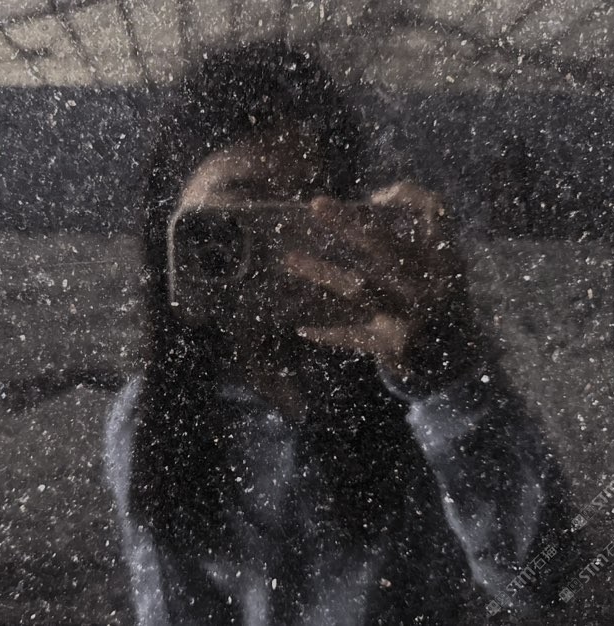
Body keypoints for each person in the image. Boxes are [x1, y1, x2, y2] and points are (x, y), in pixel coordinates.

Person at [103, 42, 573, 624]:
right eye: (238, 219)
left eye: (301, 216)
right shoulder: (151, 418)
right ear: (169, 225)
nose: (277, 250)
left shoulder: (408, 387)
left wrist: (440, 361)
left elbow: (540, 583)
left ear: (346, 219)